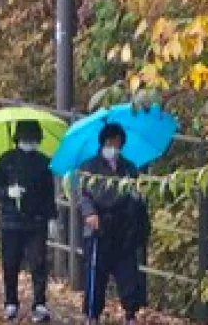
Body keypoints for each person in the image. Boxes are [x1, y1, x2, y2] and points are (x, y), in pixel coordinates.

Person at [79, 122, 148, 324]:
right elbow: (83, 195)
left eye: (117, 143)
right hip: (99, 229)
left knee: (128, 274)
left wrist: (136, 197)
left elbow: (139, 195)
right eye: (110, 142)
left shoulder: (129, 168)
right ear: (102, 144)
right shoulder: (89, 166)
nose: (113, 147)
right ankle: (92, 314)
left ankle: (130, 313)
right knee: (95, 275)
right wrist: (90, 213)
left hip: (123, 229)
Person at [0, 119, 58, 322]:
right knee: (10, 263)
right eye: (27, 138)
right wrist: (8, 192)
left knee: (38, 263)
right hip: (11, 220)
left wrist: (52, 217)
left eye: (33, 139)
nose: (30, 142)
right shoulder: (6, 160)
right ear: (18, 138)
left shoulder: (44, 162)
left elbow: (48, 194)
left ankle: (39, 303)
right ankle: (11, 302)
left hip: (37, 221)